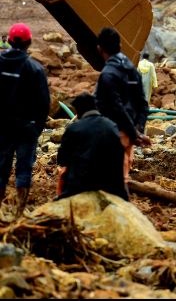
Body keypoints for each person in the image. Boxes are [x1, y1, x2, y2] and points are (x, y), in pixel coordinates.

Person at [0, 23, 49, 216]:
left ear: (10, 41)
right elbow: (44, 103)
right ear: (29, 43)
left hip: (2, 127)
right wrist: (36, 129)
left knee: (1, 168)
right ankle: (19, 211)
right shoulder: (35, 69)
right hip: (26, 129)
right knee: (23, 170)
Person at [94, 27, 151, 185]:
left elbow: (115, 107)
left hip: (113, 133)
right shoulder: (133, 70)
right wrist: (139, 130)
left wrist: (134, 134)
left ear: (100, 48)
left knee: (113, 181)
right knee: (122, 176)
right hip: (129, 133)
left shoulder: (107, 74)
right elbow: (143, 104)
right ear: (120, 46)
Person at [57, 93, 127, 200]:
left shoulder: (74, 128)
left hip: (80, 186)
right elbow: (120, 157)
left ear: (79, 110)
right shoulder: (112, 126)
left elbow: (62, 160)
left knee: (63, 173)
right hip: (110, 185)